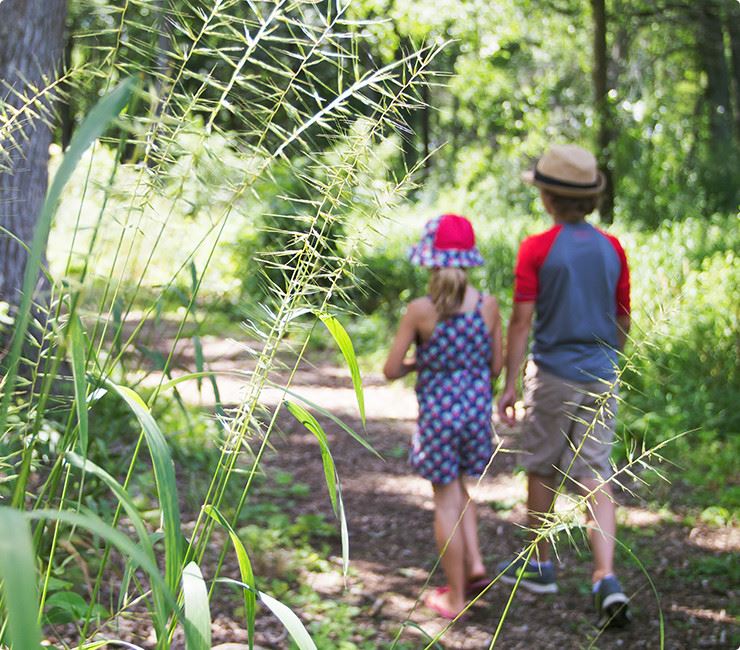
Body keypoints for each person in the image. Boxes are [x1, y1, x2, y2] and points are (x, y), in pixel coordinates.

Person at [496, 144, 632, 628]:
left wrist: (509, 385)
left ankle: (542, 565)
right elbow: (622, 318)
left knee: (542, 466)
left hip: (552, 375)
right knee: (595, 473)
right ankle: (605, 576)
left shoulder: (537, 248)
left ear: (548, 199)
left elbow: (520, 322)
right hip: (601, 374)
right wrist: (610, 361)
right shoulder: (612, 248)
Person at [384, 213, 503, 620]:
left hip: (437, 418)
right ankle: (474, 564)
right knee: (461, 489)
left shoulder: (421, 310)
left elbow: (390, 368)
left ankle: (454, 597)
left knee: (445, 501)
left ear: (430, 261)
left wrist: (422, 365)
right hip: (474, 414)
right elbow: (496, 366)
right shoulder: (488, 306)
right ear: (469, 260)